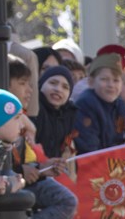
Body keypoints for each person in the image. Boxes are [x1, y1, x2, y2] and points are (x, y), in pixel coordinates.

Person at [8, 63, 77, 219]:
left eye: (65, 87)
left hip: (28, 177)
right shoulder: (17, 117)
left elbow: (27, 160)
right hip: (7, 183)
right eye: (23, 83)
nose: (29, 90)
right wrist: (23, 170)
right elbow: (1, 162)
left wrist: (43, 168)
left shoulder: (69, 117)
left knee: (68, 200)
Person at [73, 53, 125, 154]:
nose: (111, 85)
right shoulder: (86, 103)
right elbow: (88, 147)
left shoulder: (120, 105)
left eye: (116, 80)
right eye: (104, 79)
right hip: (92, 162)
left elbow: (120, 137)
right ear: (91, 82)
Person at [30, 65, 78, 160]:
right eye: (53, 83)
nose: (58, 89)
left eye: (65, 87)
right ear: (41, 84)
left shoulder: (69, 115)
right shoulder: (34, 110)